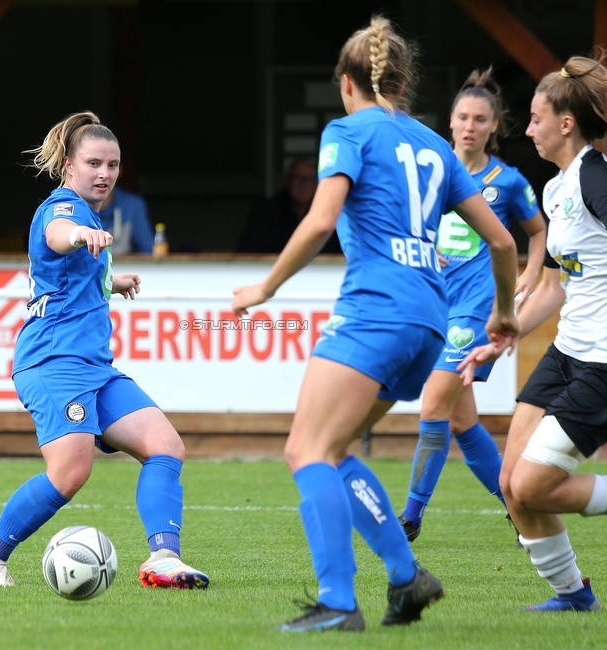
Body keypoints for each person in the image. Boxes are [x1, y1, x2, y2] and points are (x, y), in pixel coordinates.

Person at [231, 17, 519, 632]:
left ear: (347, 82)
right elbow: (501, 241)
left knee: (304, 449)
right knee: (331, 452)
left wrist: (265, 287)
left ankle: (338, 602)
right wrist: (507, 315)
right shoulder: (436, 147)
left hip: (376, 310)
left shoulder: (348, 130)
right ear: (401, 81)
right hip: (429, 322)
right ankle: (406, 578)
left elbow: (317, 221)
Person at [458, 55, 607, 612]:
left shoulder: (594, 173)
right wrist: (508, 332)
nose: (529, 129)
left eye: (537, 119)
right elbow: (562, 286)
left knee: (534, 486)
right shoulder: (558, 188)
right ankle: (573, 596)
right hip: (569, 350)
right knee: (511, 483)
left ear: (566, 124)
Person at [0, 112, 209, 590]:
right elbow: (59, 236)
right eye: (94, 163)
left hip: (94, 367)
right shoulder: (62, 207)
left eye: (113, 165)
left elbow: (67, 274)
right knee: (70, 473)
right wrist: (80, 234)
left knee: (165, 446)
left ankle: (163, 558)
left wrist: (110, 283)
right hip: (54, 363)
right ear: (70, 167)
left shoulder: (90, 214)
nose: (104, 173)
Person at [399, 68, 547, 541]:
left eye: (479, 119)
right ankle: (515, 502)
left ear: (494, 126)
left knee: (433, 405)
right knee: (462, 420)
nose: (469, 125)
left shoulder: (507, 181)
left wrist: (530, 272)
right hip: (436, 304)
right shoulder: (434, 170)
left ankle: (410, 518)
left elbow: (538, 231)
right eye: (462, 116)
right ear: (450, 121)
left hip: (476, 309)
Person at [235, 157, 342, 254]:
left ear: (317, 183)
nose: (302, 184)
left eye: (308, 179)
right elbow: (247, 252)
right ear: (287, 181)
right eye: (297, 178)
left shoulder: (329, 213)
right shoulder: (265, 213)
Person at [97, 184, 154, 255]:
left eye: (111, 171)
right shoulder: (79, 206)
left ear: (119, 172)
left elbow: (148, 251)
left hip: (121, 265)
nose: (104, 175)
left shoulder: (132, 205)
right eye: (93, 171)